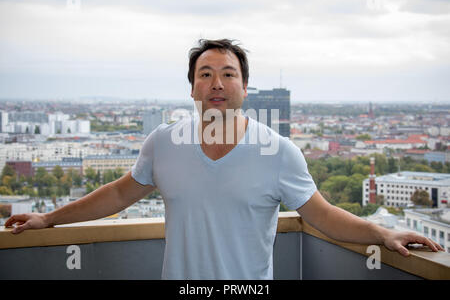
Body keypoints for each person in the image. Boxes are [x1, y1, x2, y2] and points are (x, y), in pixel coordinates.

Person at [5, 39, 444, 279]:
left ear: (245, 87)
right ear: (192, 89)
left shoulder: (278, 151)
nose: (217, 83)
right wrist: (49, 220)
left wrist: (382, 233)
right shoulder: (163, 142)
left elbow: (323, 216)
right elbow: (119, 193)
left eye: (228, 73)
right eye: (206, 74)